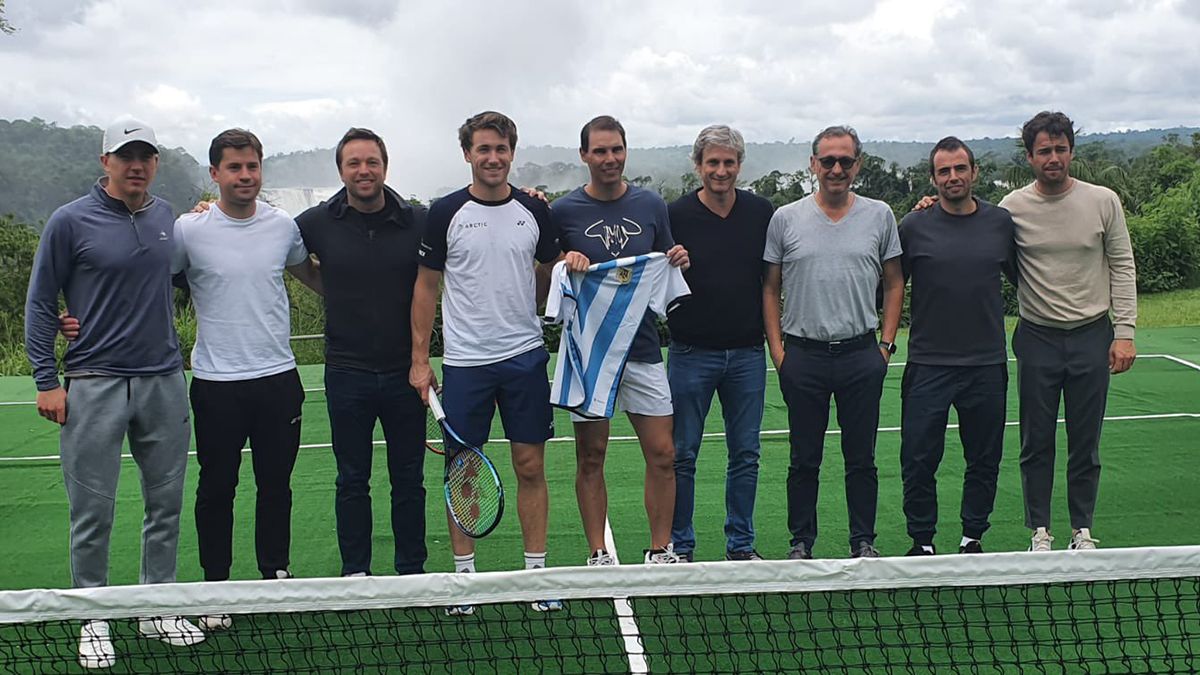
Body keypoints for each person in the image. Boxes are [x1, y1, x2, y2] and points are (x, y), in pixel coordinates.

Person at [24, 118, 205, 669]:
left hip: (164, 380)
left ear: (155, 163)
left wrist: (206, 216)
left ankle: (156, 607)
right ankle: (95, 616)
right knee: (92, 510)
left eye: (145, 156)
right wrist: (46, 380)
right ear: (105, 161)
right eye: (126, 156)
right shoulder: (68, 220)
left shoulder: (167, 216)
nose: (136, 165)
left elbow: (179, 274)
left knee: (166, 504)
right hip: (93, 383)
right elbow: (39, 301)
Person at [409, 111, 561, 613]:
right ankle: (465, 582)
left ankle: (536, 578)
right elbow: (426, 287)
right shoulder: (445, 212)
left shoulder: (535, 211)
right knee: (462, 470)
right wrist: (419, 360)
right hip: (466, 364)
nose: (492, 157)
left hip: (524, 358)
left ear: (512, 152)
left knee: (530, 465)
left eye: (501, 148)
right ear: (468, 154)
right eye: (483, 149)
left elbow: (546, 279)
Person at [173, 129, 321, 630]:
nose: (245, 176)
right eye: (234, 168)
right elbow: (148, 280)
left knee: (275, 485)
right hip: (215, 383)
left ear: (262, 170)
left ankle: (274, 574)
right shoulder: (187, 230)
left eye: (252, 167)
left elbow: (316, 277)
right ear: (214, 174)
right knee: (217, 488)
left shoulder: (283, 227)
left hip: (277, 379)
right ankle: (217, 586)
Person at [552, 115, 690, 566]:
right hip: (590, 355)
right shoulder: (563, 211)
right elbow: (549, 269)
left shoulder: (651, 204)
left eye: (616, 150)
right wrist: (563, 260)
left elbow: (667, 260)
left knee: (663, 453)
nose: (609, 159)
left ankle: (660, 550)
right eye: (600, 151)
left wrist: (678, 259)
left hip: (644, 351)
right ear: (584, 156)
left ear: (625, 151)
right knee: (591, 455)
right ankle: (598, 553)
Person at [762, 125, 903, 560]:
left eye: (845, 161)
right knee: (805, 460)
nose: (836, 169)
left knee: (861, 458)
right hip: (802, 356)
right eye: (828, 161)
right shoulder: (786, 218)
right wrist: (779, 353)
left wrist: (885, 347)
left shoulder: (880, 215)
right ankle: (801, 542)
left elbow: (895, 283)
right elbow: (769, 288)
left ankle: (864, 540)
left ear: (857, 165)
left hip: (862, 355)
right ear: (813, 164)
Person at [295, 128, 430, 578]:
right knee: (352, 479)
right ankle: (356, 571)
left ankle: (411, 569)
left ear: (385, 167)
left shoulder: (418, 220)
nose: (363, 171)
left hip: (405, 372)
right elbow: (287, 255)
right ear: (341, 171)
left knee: (408, 479)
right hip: (346, 373)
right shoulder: (315, 223)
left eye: (371, 162)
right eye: (354, 163)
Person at [1001, 111, 1137, 552]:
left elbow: (1122, 264)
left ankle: (1082, 529)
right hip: (1037, 337)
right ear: (1030, 157)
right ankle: (1039, 530)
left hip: (1092, 336)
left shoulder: (1103, 201)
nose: (1054, 158)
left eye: (1061, 149)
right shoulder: (1012, 208)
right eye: (1045, 151)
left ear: (1071, 151)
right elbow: (979, 239)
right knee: (1035, 440)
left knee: (1085, 441)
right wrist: (930, 206)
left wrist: (1125, 331)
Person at [897, 137, 1016, 556]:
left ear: (974, 172)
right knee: (917, 459)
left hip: (986, 364)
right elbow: (891, 287)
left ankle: (972, 537)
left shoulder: (1001, 222)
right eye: (944, 171)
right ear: (933, 178)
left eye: (959, 168)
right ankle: (923, 541)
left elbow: (1030, 280)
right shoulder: (913, 225)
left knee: (984, 458)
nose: (953, 177)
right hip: (928, 364)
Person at [666, 125, 774, 562]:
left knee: (745, 455)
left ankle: (741, 546)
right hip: (690, 353)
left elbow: (774, 278)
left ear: (739, 166)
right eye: (713, 162)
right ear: (698, 166)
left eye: (729, 162)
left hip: (748, 354)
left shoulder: (762, 212)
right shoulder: (673, 215)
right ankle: (681, 545)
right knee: (682, 455)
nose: (721, 170)